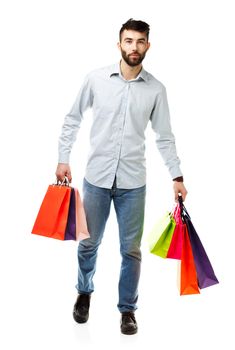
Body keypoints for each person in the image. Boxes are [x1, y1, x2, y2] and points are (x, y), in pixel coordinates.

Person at [56, 18, 188, 335]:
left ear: (147, 46)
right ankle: (84, 293)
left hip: (133, 185)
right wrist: (63, 158)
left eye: (140, 41)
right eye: (128, 41)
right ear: (119, 45)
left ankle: (127, 310)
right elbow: (72, 119)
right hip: (96, 180)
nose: (134, 47)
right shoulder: (96, 79)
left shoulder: (156, 89)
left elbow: (165, 137)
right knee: (88, 245)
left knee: (131, 250)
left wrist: (177, 176)